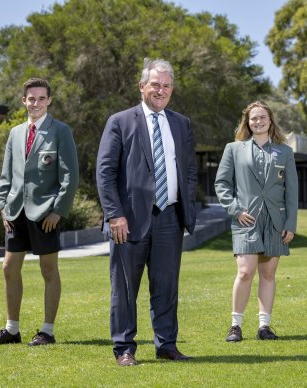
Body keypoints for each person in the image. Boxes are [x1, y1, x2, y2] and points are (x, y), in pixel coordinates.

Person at [96, 58, 197, 366]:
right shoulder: (120, 121)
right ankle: (124, 348)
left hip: (170, 217)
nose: (161, 90)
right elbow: (105, 171)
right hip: (128, 221)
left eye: (166, 86)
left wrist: (186, 205)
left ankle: (166, 345)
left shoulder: (182, 123)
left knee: (166, 287)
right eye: (155, 84)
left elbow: (189, 170)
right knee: (125, 289)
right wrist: (115, 214)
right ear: (142, 86)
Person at [0, 77, 79, 346]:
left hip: (46, 213)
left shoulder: (60, 131)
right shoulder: (14, 133)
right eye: (31, 98)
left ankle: (47, 331)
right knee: (8, 268)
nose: (35, 103)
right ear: (24, 101)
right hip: (15, 212)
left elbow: (70, 175)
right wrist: (2, 206)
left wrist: (58, 210)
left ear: (49, 101)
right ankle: (12, 330)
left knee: (48, 270)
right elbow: (6, 174)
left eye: (41, 98)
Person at [214, 101, 298, 343]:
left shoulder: (285, 152)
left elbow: (291, 192)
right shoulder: (233, 149)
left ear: (270, 120)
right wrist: (235, 208)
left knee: (268, 273)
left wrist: (290, 223)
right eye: (253, 118)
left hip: (275, 220)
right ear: (247, 123)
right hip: (245, 219)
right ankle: (235, 326)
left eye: (262, 117)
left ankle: (264, 326)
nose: (258, 121)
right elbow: (221, 184)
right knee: (245, 271)